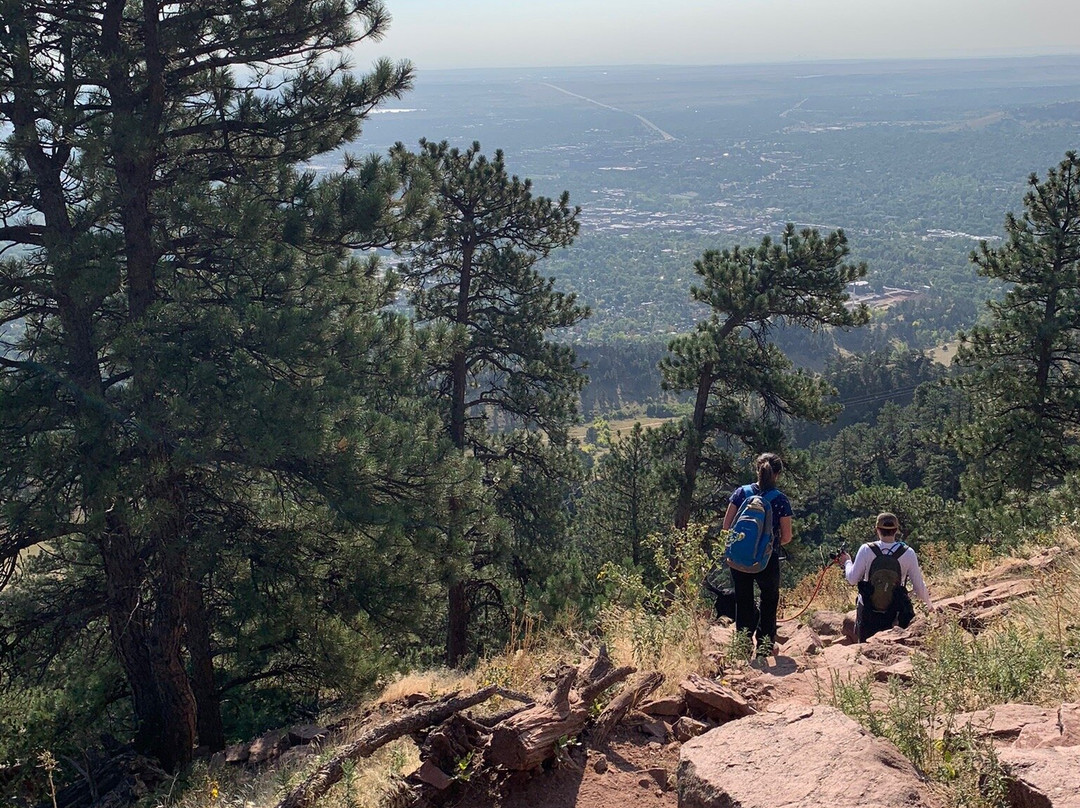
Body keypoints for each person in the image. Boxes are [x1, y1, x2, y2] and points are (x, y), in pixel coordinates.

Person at [722, 452, 793, 655]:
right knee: (769, 599)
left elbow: (726, 527)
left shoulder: (740, 493)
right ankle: (764, 646)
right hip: (766, 559)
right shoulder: (780, 500)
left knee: (743, 599)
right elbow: (787, 536)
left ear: (756, 469)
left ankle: (743, 646)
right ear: (777, 474)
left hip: (739, 557)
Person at [838, 512, 936, 642]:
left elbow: (852, 579)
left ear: (877, 529)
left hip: (868, 611)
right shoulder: (908, 553)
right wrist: (929, 605)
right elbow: (919, 587)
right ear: (896, 530)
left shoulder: (866, 549)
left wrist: (847, 562)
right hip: (895, 610)